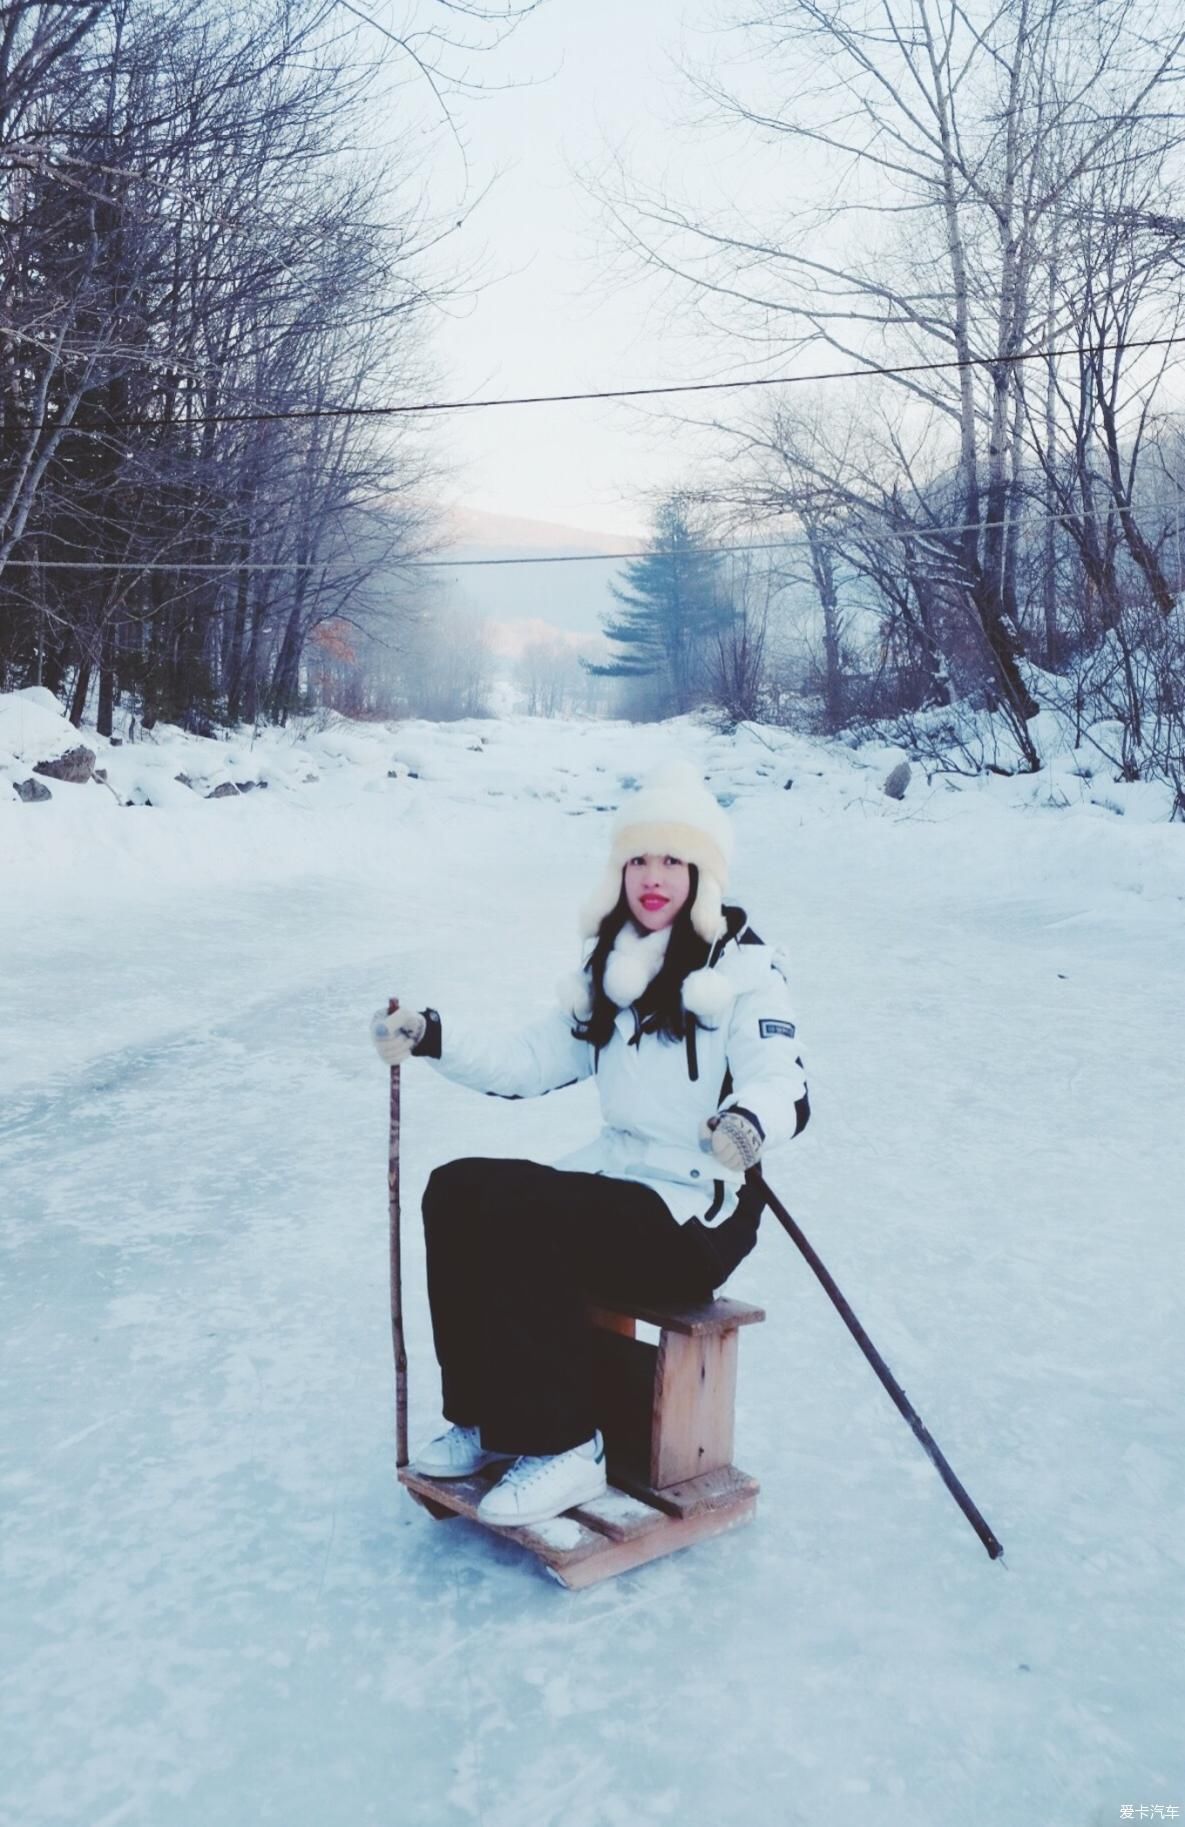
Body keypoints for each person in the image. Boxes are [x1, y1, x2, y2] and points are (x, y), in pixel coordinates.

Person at [370, 760, 810, 1529]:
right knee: (458, 1188)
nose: (653, 875)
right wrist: (435, 1036)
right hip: (617, 1176)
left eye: (673, 859)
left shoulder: (743, 969)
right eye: (638, 858)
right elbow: (531, 1060)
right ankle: (482, 1417)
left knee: (531, 1214)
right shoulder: (612, 966)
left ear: (702, 871)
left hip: (695, 1210)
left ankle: (567, 1444)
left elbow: (785, 1080)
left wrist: (748, 1123)